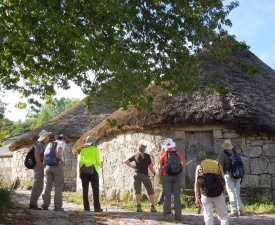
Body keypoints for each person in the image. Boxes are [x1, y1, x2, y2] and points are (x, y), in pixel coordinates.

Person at [194, 147, 229, 225]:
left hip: (205, 194)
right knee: (223, 216)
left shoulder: (200, 166)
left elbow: (196, 183)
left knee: (208, 217)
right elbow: (223, 180)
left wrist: (197, 197)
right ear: (214, 156)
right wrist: (224, 192)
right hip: (218, 193)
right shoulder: (218, 165)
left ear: (205, 156)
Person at [124, 144, 157, 213]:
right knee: (150, 189)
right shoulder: (147, 156)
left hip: (136, 174)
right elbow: (150, 167)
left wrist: (132, 166)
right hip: (144, 174)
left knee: (137, 191)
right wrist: (153, 172)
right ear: (144, 149)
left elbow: (125, 162)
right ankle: (152, 207)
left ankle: (138, 207)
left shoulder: (135, 155)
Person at [158, 138, 183, 221]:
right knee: (177, 196)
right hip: (177, 176)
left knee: (167, 195)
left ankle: (167, 214)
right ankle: (178, 216)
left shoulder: (163, 154)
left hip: (166, 176)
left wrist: (159, 177)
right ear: (173, 146)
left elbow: (160, 168)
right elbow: (181, 165)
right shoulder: (178, 154)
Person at [41, 134, 67, 211]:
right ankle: (57, 206)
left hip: (48, 166)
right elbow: (59, 149)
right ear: (64, 139)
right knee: (58, 186)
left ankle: (45, 205)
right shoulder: (61, 143)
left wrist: (46, 164)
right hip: (56, 166)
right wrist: (59, 160)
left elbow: (44, 155)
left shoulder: (50, 144)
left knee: (47, 186)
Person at [218, 139, 243, 217]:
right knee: (237, 193)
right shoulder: (235, 153)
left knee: (231, 192)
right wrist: (242, 176)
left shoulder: (223, 154)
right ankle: (240, 210)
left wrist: (222, 176)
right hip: (238, 175)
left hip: (228, 175)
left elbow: (220, 166)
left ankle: (234, 211)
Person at [79, 136, 103, 212]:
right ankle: (97, 207)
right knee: (95, 189)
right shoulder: (95, 150)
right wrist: (101, 164)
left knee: (85, 190)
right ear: (92, 143)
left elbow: (80, 161)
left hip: (84, 171)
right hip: (93, 171)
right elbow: (98, 161)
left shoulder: (82, 150)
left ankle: (86, 208)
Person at [29, 130, 51, 210]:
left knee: (39, 185)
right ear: (44, 137)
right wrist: (41, 165)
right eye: (48, 136)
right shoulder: (40, 144)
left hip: (40, 165)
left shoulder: (41, 144)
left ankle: (33, 203)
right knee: (38, 184)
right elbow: (37, 156)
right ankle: (32, 204)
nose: (49, 137)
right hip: (39, 165)